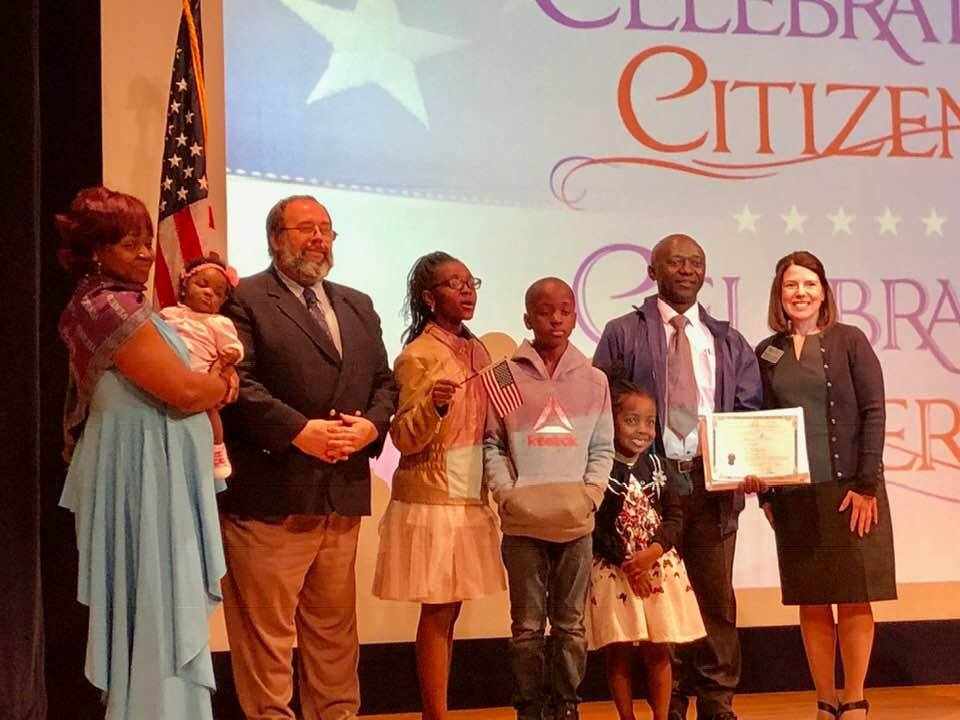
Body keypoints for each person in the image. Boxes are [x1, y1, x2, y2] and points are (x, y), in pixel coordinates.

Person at [55, 186, 238, 720]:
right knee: (156, 602)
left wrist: (210, 385)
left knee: (162, 601)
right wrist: (221, 387)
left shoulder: (128, 304)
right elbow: (183, 392)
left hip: (157, 469)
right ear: (95, 250)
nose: (144, 252)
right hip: (142, 474)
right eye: (128, 242)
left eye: (145, 240)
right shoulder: (107, 306)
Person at [218, 195, 398, 720]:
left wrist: (370, 426)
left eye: (326, 229)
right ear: (277, 238)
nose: (318, 238)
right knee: (267, 641)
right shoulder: (245, 298)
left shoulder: (358, 303)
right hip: (270, 498)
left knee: (335, 636)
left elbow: (385, 383)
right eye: (305, 229)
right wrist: (299, 431)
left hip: (339, 497)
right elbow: (237, 382)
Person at [593, 233, 762, 720]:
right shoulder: (624, 331)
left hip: (711, 487)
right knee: (661, 602)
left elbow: (748, 411)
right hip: (645, 490)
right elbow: (601, 406)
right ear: (653, 271)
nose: (687, 269)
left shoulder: (727, 340)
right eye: (676, 262)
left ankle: (716, 701)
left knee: (714, 601)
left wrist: (751, 467)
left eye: (696, 263)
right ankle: (670, 705)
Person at [750, 251, 896, 720]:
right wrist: (766, 493)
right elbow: (760, 425)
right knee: (812, 602)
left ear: (824, 291)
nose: (801, 293)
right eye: (791, 285)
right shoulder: (766, 352)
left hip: (852, 493)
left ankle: (853, 697)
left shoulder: (850, 341)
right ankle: (825, 700)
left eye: (809, 284)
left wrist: (867, 485)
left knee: (854, 597)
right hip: (795, 497)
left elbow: (874, 412)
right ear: (780, 294)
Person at [372, 251, 507, 720]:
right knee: (436, 611)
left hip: (470, 493)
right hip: (432, 498)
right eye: (455, 283)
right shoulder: (418, 355)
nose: (467, 290)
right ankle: (435, 714)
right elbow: (403, 437)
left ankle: (439, 708)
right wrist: (435, 406)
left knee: (451, 612)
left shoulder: (479, 350)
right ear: (430, 298)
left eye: (471, 281)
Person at [484, 277, 614, 720]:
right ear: (527, 318)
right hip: (522, 523)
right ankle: (529, 707)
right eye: (544, 311)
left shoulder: (595, 379)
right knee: (526, 627)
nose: (555, 318)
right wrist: (506, 493)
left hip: (575, 522)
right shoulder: (502, 375)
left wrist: (591, 496)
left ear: (575, 316)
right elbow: (493, 445)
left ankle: (567, 704)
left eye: (565, 309)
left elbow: (603, 447)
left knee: (571, 626)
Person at [587, 370, 705, 720]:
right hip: (616, 570)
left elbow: (674, 518)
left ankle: (662, 714)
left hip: (657, 566)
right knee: (619, 649)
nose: (642, 429)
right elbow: (597, 525)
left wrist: (652, 552)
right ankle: (627, 716)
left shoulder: (659, 466)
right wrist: (627, 562)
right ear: (611, 421)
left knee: (659, 647)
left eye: (650, 422)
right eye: (631, 420)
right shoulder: (602, 469)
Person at [160, 252, 243, 480]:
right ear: (185, 285)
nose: (209, 293)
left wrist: (225, 361)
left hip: (202, 378)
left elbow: (234, 348)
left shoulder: (219, 323)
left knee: (210, 412)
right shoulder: (168, 314)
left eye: (218, 293)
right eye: (202, 285)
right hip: (169, 375)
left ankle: (217, 448)